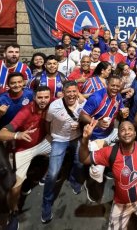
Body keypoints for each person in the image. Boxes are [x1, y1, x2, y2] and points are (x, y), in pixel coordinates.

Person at [0, 86, 52, 230]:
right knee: (15, 189)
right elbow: (0, 134)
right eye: (40, 97)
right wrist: (17, 135)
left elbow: (73, 96)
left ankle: (44, 174)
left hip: (44, 141)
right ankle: (13, 212)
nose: (44, 100)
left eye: (46, 97)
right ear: (34, 98)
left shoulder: (54, 103)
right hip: (24, 150)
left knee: (60, 149)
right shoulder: (26, 111)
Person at [41, 81, 86, 224]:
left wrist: (79, 125)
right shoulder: (54, 106)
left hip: (76, 137)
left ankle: (73, 179)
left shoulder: (83, 103)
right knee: (53, 173)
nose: (72, 94)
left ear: (77, 91)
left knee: (79, 162)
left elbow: (86, 118)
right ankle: (46, 203)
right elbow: (47, 123)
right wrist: (50, 136)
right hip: (59, 139)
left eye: (74, 91)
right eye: (69, 92)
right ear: (63, 92)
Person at [80, 75, 128, 197]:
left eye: (118, 86)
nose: (115, 88)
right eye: (113, 85)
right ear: (107, 84)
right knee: (98, 169)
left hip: (110, 132)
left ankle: (109, 165)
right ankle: (91, 184)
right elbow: (82, 116)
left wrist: (123, 113)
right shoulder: (96, 97)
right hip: (95, 137)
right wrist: (98, 123)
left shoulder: (118, 96)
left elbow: (120, 111)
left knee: (126, 140)